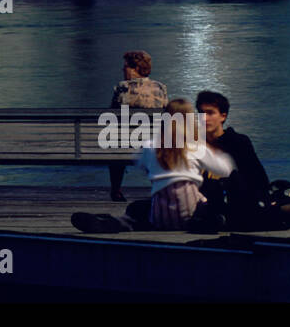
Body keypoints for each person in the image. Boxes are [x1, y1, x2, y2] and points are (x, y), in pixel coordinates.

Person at [73, 99, 233, 233]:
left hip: (160, 216)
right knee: (214, 209)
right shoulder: (195, 146)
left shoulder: (151, 145)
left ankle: (113, 223)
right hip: (190, 212)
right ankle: (205, 223)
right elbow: (225, 168)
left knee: (136, 210)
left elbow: (141, 165)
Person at [195, 91, 270, 231]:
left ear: (223, 116)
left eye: (210, 113)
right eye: (201, 113)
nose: (204, 118)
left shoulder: (238, 142)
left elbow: (259, 179)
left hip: (234, 200)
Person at [106, 50, 167, 201]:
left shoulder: (122, 87)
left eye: (126, 66)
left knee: (115, 147)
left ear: (136, 69)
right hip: (153, 143)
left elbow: (111, 115)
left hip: (126, 143)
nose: (123, 69)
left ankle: (116, 191)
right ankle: (157, 187)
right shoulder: (161, 88)